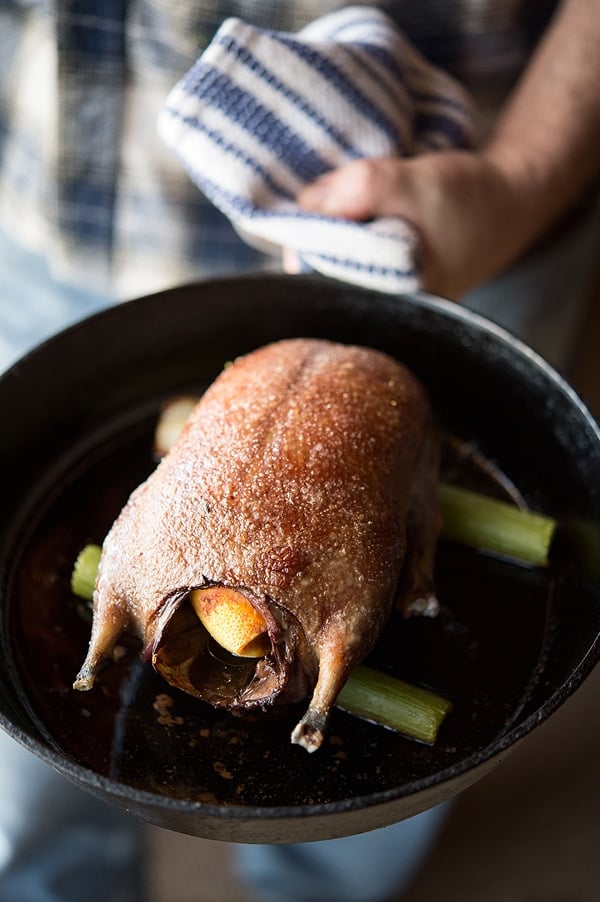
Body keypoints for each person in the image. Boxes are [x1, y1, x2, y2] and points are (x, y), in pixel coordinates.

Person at [0, 1, 598, 900]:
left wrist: (520, 173)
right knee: (32, 768)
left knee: (374, 791)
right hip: (62, 200)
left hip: (463, 204)